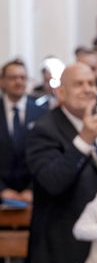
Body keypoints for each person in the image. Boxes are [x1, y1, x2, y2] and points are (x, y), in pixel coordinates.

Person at [26, 63, 97, 263]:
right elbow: (53, 181)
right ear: (60, 92)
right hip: (65, 249)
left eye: (91, 83)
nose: (88, 89)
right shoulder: (44, 129)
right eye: (79, 84)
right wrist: (85, 139)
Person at [0, 59, 48, 204]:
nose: (18, 82)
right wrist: (2, 190)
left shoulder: (42, 114)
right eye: (13, 78)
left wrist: (32, 189)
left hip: (35, 196)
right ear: (2, 81)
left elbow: (46, 156)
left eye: (22, 77)